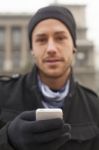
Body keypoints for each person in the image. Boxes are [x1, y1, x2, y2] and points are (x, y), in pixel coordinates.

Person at [0, 5, 99, 150]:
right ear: (32, 50)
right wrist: (7, 139)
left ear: (74, 46)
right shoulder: (3, 94)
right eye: (41, 40)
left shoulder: (94, 107)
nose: (51, 48)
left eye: (60, 38)